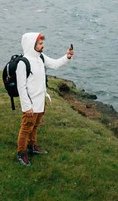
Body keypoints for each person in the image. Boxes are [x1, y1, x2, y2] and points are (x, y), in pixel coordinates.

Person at [16, 32, 74, 167]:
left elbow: (54, 64)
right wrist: (27, 106)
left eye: (42, 43)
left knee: (35, 125)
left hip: (41, 101)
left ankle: (32, 146)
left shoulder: (40, 57)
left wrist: (67, 57)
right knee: (26, 128)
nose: (43, 46)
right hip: (30, 104)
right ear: (32, 45)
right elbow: (21, 87)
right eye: (40, 43)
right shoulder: (22, 63)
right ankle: (22, 153)